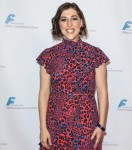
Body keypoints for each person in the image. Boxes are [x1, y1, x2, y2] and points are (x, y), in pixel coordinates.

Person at [36, 2, 109, 150]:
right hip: (55, 125)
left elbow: (102, 93)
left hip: (87, 125)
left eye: (74, 18)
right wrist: (43, 128)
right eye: (63, 19)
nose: (69, 23)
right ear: (58, 24)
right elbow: (43, 93)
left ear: (81, 22)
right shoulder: (48, 56)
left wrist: (101, 126)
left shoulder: (95, 54)